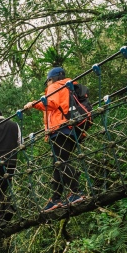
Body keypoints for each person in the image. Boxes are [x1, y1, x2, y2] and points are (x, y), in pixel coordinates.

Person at [24, 66, 87, 211]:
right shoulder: (70, 86)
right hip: (73, 129)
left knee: (61, 162)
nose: (47, 84)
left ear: (52, 79)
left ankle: (76, 191)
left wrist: (34, 104)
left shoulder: (55, 87)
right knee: (57, 164)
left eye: (47, 81)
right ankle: (56, 198)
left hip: (60, 129)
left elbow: (51, 104)